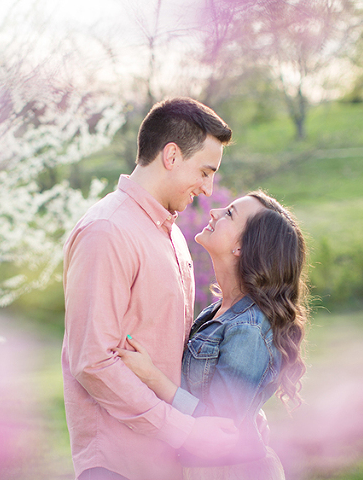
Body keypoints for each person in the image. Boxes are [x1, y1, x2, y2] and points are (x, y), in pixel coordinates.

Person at [62, 98, 239, 480]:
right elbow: (93, 361)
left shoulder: (171, 232)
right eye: (205, 171)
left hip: (168, 464)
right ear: (172, 156)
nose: (208, 189)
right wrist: (184, 431)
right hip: (119, 466)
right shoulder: (106, 231)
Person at [114, 191, 310, 480]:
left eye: (229, 214)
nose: (214, 212)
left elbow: (220, 425)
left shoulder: (249, 328)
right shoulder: (220, 310)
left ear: (241, 247)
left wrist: (152, 377)